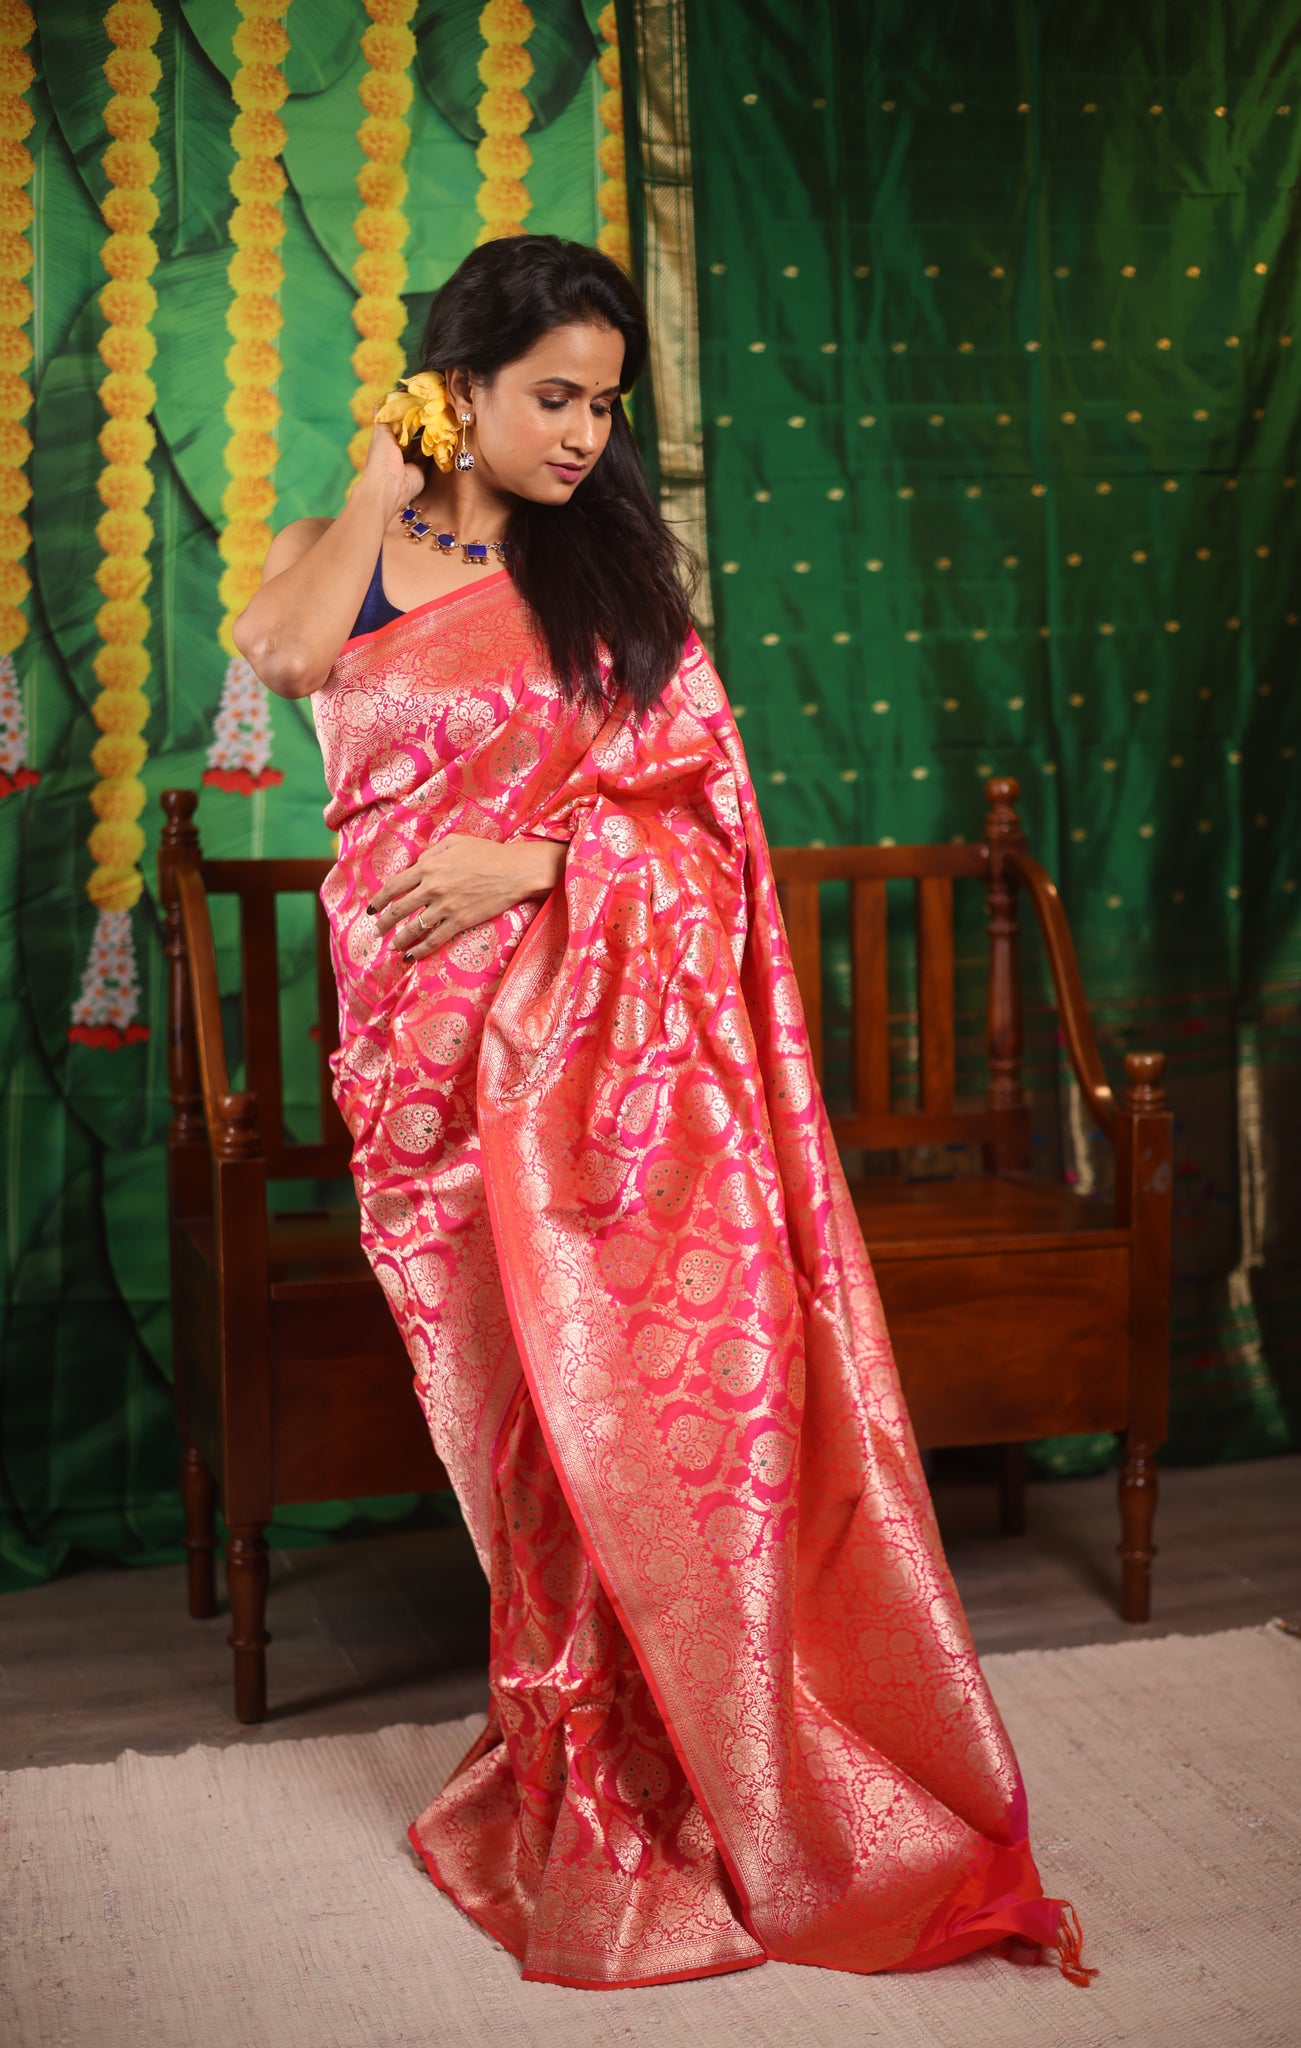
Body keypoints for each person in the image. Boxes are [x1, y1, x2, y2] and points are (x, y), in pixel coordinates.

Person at [233, 234, 1094, 1994]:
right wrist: (380, 475)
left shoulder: (611, 583)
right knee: (512, 1446)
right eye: (550, 396)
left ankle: (692, 1776)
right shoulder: (339, 548)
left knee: (626, 1425)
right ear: (457, 386)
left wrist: (544, 858)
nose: (581, 435)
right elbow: (286, 654)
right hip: (422, 1077)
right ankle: (571, 1755)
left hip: (610, 1090)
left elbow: (707, 830)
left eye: (603, 405)